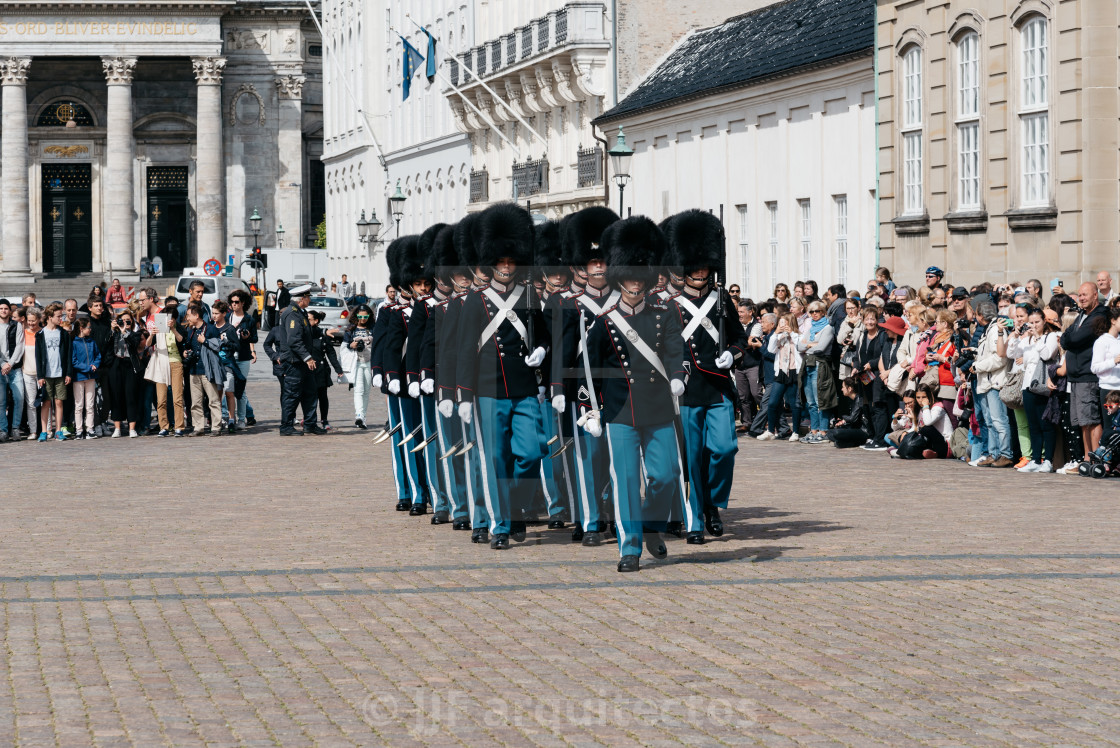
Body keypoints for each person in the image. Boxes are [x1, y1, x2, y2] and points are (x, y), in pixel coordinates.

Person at [580, 216, 685, 572]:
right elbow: (589, 369)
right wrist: (589, 410)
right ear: (618, 279)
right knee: (625, 481)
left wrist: (676, 376)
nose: (634, 284)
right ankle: (630, 547)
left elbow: (674, 350)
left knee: (668, 475)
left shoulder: (663, 313)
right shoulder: (606, 321)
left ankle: (652, 524)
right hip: (621, 410)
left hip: (657, 406)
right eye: (628, 277)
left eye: (640, 277)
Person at [455, 203, 547, 550]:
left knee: (532, 452)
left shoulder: (528, 296)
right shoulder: (475, 301)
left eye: (511, 262)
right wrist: (463, 394)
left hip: (523, 387)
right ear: (491, 263)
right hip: (488, 388)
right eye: (501, 262)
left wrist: (542, 350)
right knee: (492, 460)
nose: (507, 267)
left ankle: (513, 507)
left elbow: (541, 335)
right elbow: (464, 349)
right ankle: (497, 525)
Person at [664, 210, 747, 542]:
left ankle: (713, 501)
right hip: (686, 388)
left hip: (718, 386)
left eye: (704, 264)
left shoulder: (721, 299)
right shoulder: (668, 304)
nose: (700, 270)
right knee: (693, 457)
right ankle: (696, 519)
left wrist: (733, 353)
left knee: (725, 449)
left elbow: (739, 338)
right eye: (695, 265)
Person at [554, 206, 621, 544]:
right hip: (583, 388)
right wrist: (557, 388)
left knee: (616, 453)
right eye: (592, 262)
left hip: (618, 387)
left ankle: (609, 509)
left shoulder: (623, 302)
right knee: (587, 455)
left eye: (602, 261)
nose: (598, 267)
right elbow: (563, 350)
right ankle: (590, 520)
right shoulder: (571, 303)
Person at [1061, 281, 1108, 460]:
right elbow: (1067, 335)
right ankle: (1088, 458)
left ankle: (1097, 458)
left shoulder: (1099, 315)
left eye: (1085, 295)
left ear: (1095, 295)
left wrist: (1068, 338)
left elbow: (1075, 338)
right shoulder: (1082, 315)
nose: (1081, 298)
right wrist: (1068, 338)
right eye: (1079, 295)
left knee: (1091, 420)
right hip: (1076, 376)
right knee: (1082, 422)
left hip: (1088, 375)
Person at [1012, 307, 1060, 472]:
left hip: (1043, 384)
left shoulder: (1050, 336)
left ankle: (1048, 460)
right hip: (1028, 385)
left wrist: (1038, 337)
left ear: (1044, 321)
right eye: (1030, 323)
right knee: (1033, 425)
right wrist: (1016, 336)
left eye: (1036, 322)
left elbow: (1047, 355)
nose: (1033, 325)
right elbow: (1012, 352)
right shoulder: (1028, 340)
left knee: (1045, 424)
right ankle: (1035, 459)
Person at [276, 283, 323, 436]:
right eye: (308, 297)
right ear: (302, 298)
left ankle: (310, 424)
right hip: (294, 362)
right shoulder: (292, 313)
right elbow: (294, 340)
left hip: (302, 363)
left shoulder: (300, 312)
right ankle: (286, 426)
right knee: (292, 395)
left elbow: (305, 334)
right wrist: (307, 357)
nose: (310, 299)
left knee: (310, 393)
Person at [797, 299, 837, 444]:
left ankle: (823, 430)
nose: (814, 314)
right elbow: (799, 347)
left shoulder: (827, 328)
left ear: (823, 312)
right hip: (808, 364)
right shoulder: (810, 328)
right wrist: (810, 344)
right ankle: (813, 430)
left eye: (817, 311)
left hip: (820, 365)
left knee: (821, 399)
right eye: (812, 312)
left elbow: (820, 348)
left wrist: (807, 345)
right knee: (811, 402)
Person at [760, 313, 803, 442]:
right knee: (772, 402)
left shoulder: (798, 336)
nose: (782, 326)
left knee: (794, 403)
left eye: (784, 323)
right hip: (781, 371)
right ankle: (770, 431)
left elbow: (801, 347)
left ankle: (795, 431)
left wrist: (792, 333)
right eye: (780, 323)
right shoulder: (778, 337)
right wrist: (776, 333)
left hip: (794, 371)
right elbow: (771, 349)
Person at [105, 309, 145, 438]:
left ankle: (131, 428)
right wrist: (113, 329)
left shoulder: (135, 334)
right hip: (116, 365)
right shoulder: (114, 334)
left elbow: (135, 344)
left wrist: (126, 332)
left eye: (128, 321)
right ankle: (117, 427)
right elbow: (106, 343)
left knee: (130, 396)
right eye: (123, 321)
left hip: (130, 366)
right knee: (116, 396)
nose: (126, 323)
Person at [36, 303, 72, 442]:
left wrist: (68, 373)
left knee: (59, 402)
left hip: (60, 374)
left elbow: (68, 354)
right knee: (45, 403)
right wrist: (40, 375)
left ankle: (58, 430)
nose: (61, 319)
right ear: (50, 317)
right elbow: (38, 357)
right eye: (58, 316)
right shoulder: (41, 334)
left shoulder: (63, 333)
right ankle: (44, 431)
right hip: (46, 375)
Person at [307, 310, 343, 429]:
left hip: (321, 369)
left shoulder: (322, 335)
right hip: (307, 369)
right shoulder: (303, 333)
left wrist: (338, 370)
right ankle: (309, 419)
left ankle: (324, 420)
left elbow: (331, 353)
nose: (306, 321)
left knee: (322, 396)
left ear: (316, 321)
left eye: (309, 319)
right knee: (308, 396)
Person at [1090, 307, 1120, 445]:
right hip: (1108, 389)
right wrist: (1114, 361)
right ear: (1113, 320)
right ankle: (1107, 461)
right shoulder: (1102, 341)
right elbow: (1095, 368)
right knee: (1109, 427)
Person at [343, 304, 375, 428]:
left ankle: (363, 417)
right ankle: (359, 415)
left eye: (366, 316)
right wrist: (351, 345)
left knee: (366, 391)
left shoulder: (373, 328)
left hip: (369, 362)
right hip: (356, 363)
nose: (363, 319)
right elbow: (345, 346)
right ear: (356, 316)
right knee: (358, 389)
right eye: (360, 316)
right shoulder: (351, 329)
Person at [70, 318, 101, 439]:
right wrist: (88, 367)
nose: (90, 329)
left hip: (91, 377)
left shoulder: (92, 342)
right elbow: (74, 361)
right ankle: (79, 429)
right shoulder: (74, 343)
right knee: (79, 405)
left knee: (90, 404)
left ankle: (90, 428)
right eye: (88, 327)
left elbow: (98, 355)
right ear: (81, 328)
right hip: (79, 376)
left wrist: (95, 365)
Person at [0, 298, 25, 442]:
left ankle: (15, 427)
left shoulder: (17, 326)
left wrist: (9, 363)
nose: (3, 311)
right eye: (1, 308)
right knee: (1, 401)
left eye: (5, 308)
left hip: (14, 368)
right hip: (0, 368)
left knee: (19, 397)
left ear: (10, 310)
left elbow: (19, 346)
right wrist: (2, 364)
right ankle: (3, 429)